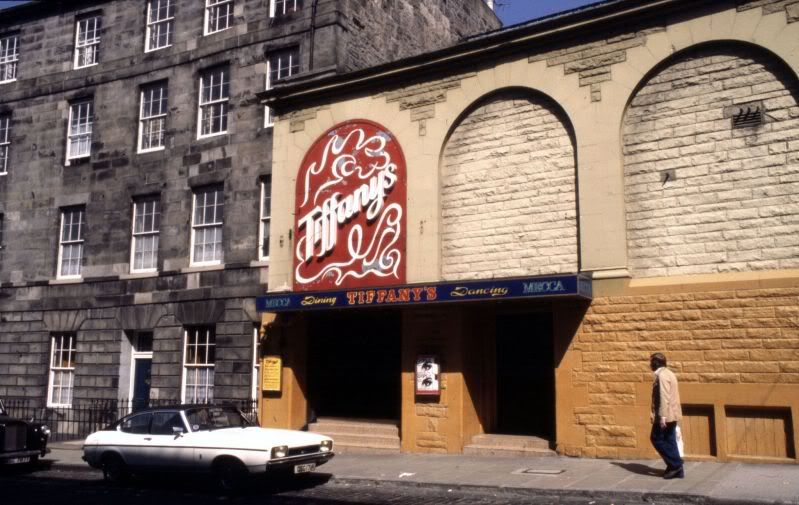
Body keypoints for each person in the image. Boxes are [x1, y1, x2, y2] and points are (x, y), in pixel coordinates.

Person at [649, 352, 684, 479]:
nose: (650, 365)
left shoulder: (662, 376)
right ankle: (676, 469)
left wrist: (662, 416)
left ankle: (676, 464)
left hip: (666, 415)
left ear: (656, 363)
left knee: (656, 438)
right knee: (669, 440)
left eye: (651, 362)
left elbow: (664, 396)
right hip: (672, 414)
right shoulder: (669, 373)